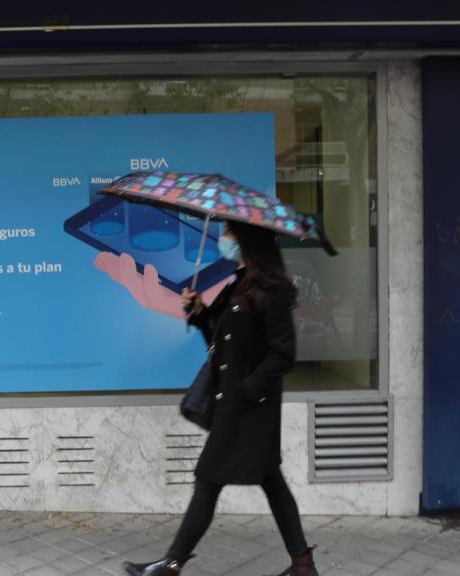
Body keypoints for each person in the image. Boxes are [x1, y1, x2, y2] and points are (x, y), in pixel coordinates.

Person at [121, 221, 318, 576]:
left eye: (229, 233)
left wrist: (248, 390)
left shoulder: (271, 289)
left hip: (248, 408)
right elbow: (222, 338)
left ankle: (172, 564)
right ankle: (302, 565)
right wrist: (198, 312)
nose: (223, 239)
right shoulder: (239, 283)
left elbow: (283, 353)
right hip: (236, 404)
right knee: (271, 479)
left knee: (208, 479)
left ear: (246, 240)